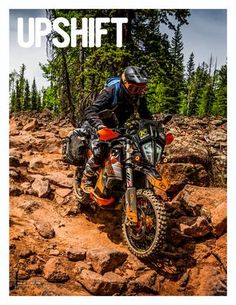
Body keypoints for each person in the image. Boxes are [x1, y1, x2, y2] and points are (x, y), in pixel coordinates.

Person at [80, 66, 152, 193]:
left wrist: (156, 127)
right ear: (124, 83)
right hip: (97, 124)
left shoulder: (139, 97)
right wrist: (99, 126)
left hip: (116, 127)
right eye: (133, 88)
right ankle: (87, 178)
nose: (136, 91)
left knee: (135, 150)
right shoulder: (111, 92)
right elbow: (90, 110)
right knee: (100, 150)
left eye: (141, 88)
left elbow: (146, 116)